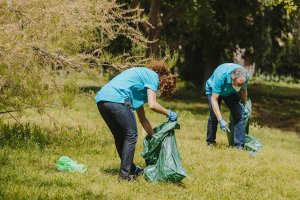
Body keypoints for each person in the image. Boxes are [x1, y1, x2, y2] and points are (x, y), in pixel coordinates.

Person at [95, 61, 178, 181]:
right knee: (131, 135)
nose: (158, 89)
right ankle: (124, 176)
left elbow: (142, 119)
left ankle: (131, 169)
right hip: (117, 99)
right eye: (160, 87)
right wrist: (169, 113)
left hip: (102, 100)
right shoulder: (153, 77)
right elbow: (153, 105)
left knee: (120, 136)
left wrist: (153, 137)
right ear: (162, 79)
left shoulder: (140, 84)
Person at [205, 63, 250, 149]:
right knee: (214, 117)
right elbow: (214, 99)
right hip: (213, 91)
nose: (239, 87)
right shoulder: (221, 76)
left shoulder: (245, 76)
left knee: (240, 115)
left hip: (230, 92)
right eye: (238, 84)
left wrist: (245, 104)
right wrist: (220, 120)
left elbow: (243, 89)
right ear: (232, 78)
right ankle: (210, 142)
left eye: (241, 84)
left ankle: (239, 146)